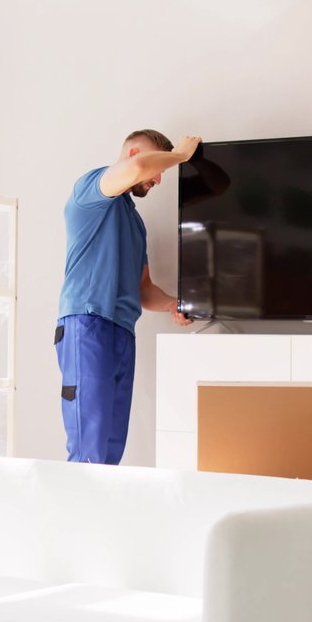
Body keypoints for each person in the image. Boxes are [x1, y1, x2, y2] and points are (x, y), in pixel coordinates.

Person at [56, 129, 199, 464]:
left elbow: (143, 288)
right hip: (87, 325)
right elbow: (135, 171)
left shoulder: (134, 222)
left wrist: (171, 304)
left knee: (110, 449)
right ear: (135, 154)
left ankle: (103, 516)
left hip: (122, 332)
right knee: (88, 448)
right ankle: (76, 516)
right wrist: (179, 155)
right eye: (157, 169)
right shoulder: (91, 189)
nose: (158, 179)